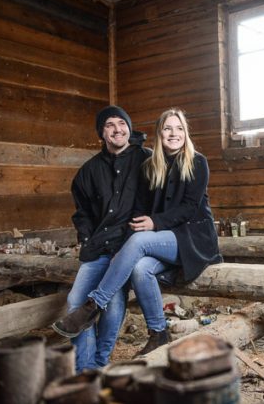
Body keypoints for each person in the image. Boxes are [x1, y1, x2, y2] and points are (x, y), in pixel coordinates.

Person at [53, 107, 223, 355]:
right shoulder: (151, 165)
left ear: (186, 133)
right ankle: (158, 332)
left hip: (193, 238)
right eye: (167, 128)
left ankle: (93, 305)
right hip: (162, 239)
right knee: (141, 269)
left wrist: (154, 223)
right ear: (159, 133)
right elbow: (140, 209)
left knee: (140, 241)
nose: (173, 133)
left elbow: (188, 208)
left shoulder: (197, 162)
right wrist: (123, 253)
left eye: (179, 128)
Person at [55, 106, 151, 371]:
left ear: (129, 128)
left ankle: (100, 361)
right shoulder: (88, 171)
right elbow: (82, 213)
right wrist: (86, 239)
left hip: (128, 247)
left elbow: (153, 204)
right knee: (76, 301)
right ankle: (86, 368)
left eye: (122, 123)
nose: (117, 129)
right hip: (98, 247)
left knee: (113, 302)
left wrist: (134, 242)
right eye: (109, 125)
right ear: (102, 133)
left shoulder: (147, 160)